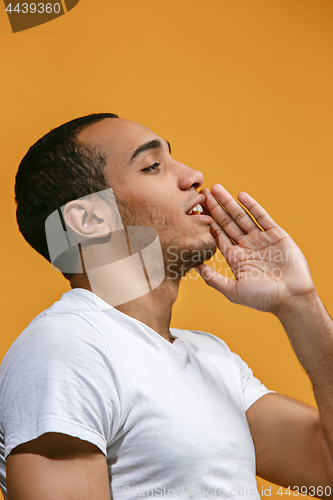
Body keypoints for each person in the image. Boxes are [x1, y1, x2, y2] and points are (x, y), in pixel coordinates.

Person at [0, 113, 332, 500]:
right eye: (152, 165)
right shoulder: (67, 348)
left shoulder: (212, 359)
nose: (193, 175)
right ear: (89, 220)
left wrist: (300, 303)